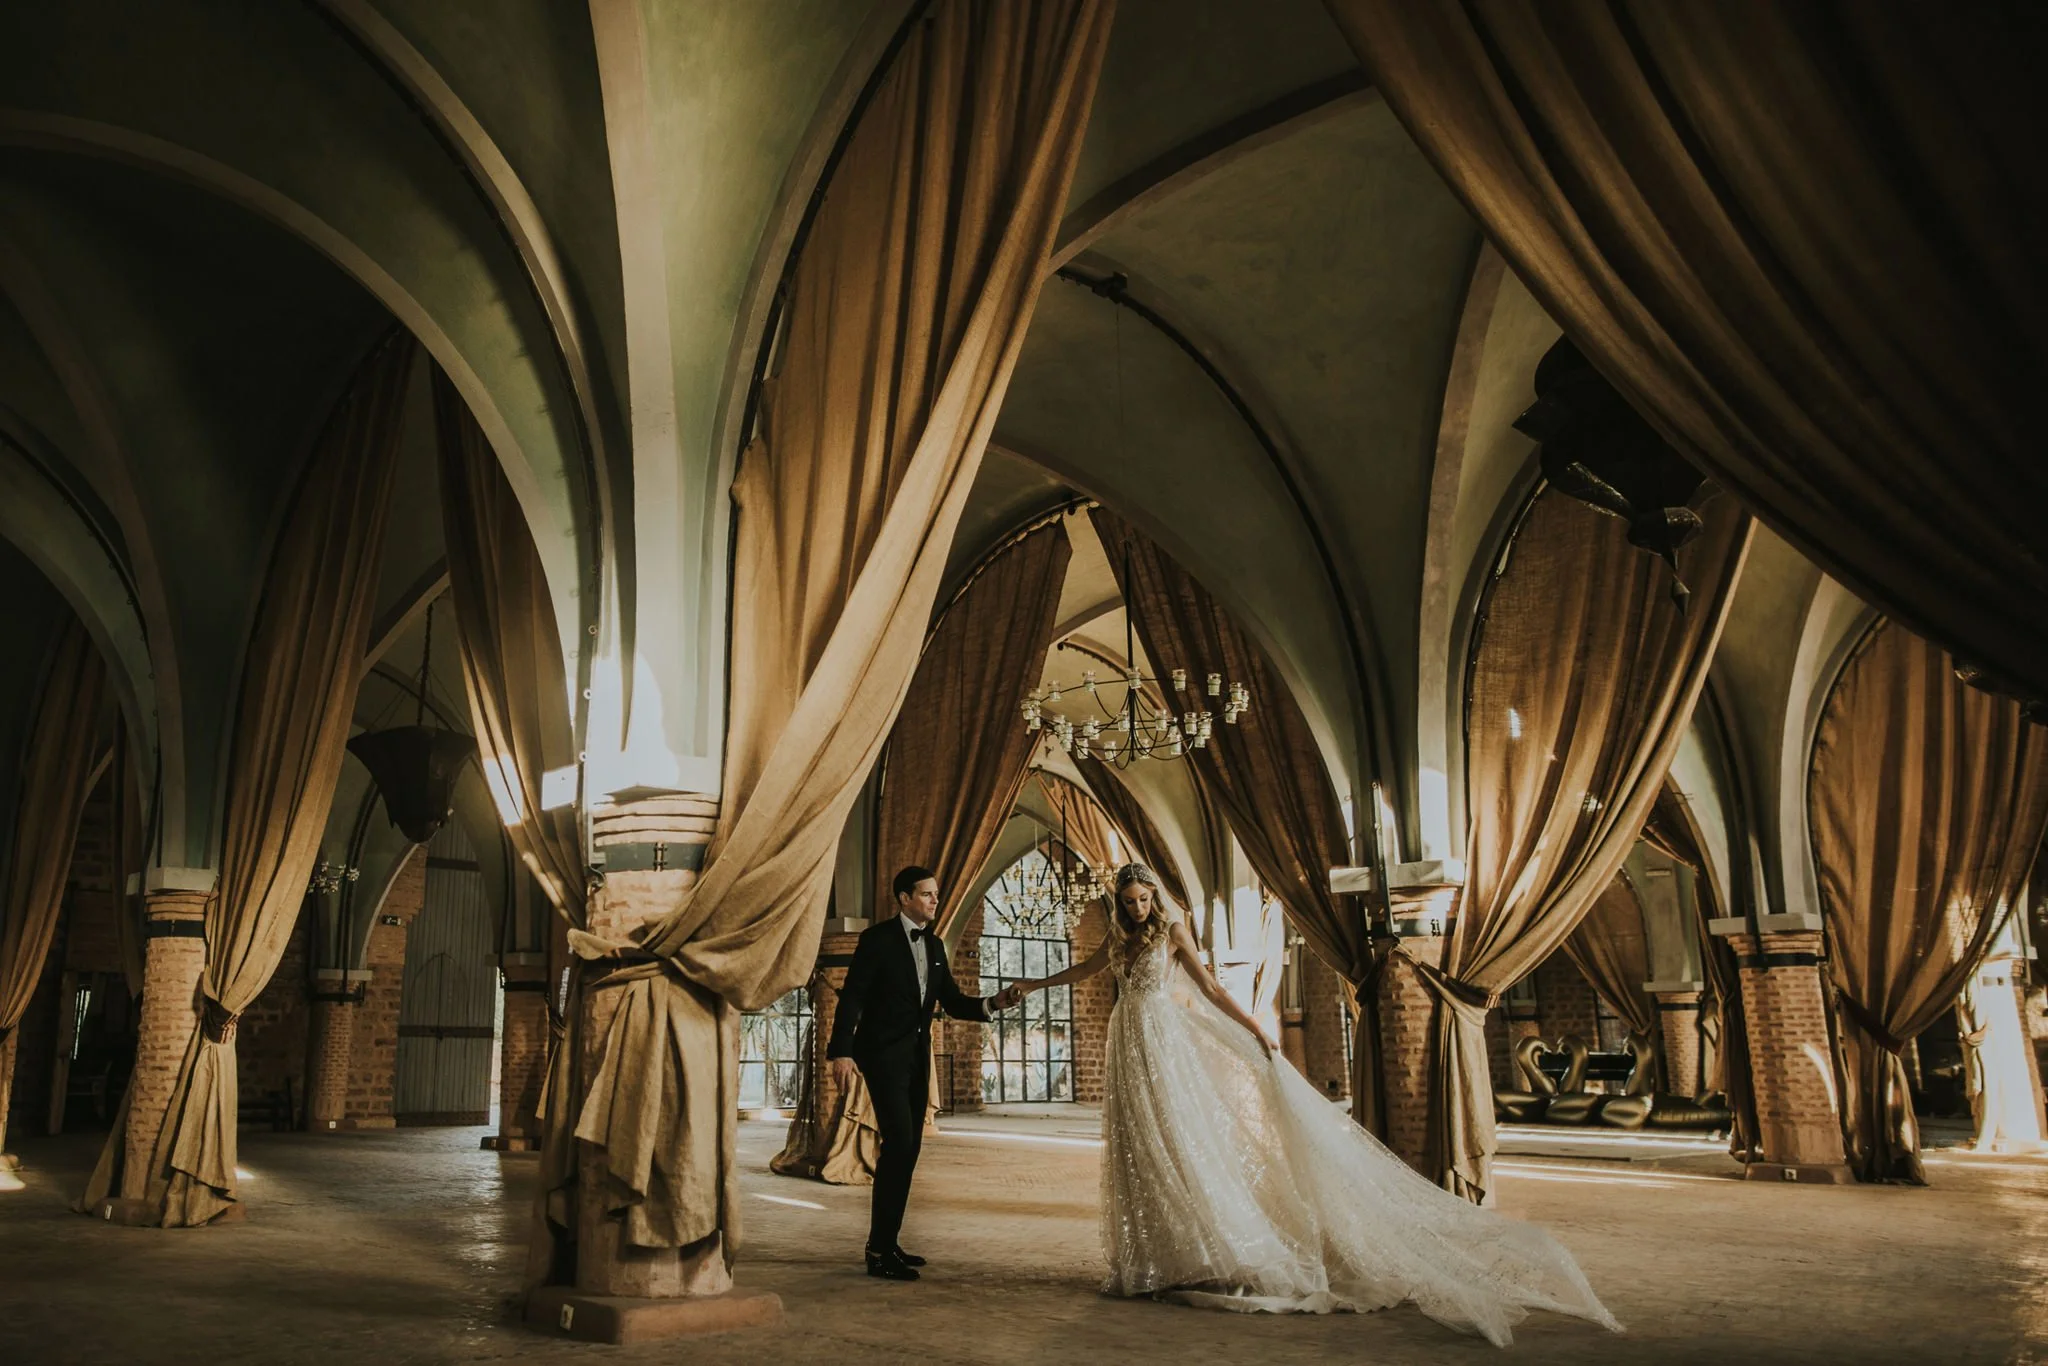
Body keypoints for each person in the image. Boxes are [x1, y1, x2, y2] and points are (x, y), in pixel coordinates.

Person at [1003, 862, 1621, 1348]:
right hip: (1125, 1042)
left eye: (1143, 899)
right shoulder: (1117, 936)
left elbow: (1211, 986)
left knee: (1179, 1138)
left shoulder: (1172, 932)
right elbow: (1085, 968)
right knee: (1139, 1145)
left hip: (1162, 1040)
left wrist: (1254, 1029)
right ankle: (1155, 1259)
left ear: (1154, 900)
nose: (1137, 907)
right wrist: (1033, 984)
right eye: (1129, 900)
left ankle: (1209, 1245)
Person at [826, 865, 1024, 1281]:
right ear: (904, 898)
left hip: (918, 1059)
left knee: (909, 1147)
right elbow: (853, 998)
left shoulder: (934, 945)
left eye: (936, 894)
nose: (935, 900)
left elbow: (951, 1001)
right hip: (881, 1057)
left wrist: (995, 1003)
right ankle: (879, 1252)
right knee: (899, 1142)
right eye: (928, 894)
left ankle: (886, 1242)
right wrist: (841, 1051)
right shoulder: (876, 940)